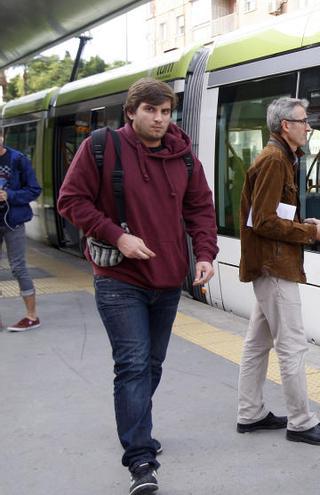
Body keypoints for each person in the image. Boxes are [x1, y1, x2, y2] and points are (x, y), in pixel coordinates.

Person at [57, 78, 219, 495]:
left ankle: (137, 428)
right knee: (131, 364)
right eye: (151, 111)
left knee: (152, 365)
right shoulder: (101, 146)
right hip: (119, 279)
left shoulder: (184, 159)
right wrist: (117, 235)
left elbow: (200, 208)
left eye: (166, 112)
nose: (160, 119)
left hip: (167, 278)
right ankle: (140, 458)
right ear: (132, 112)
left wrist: (205, 253)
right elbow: (71, 201)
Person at [237, 97, 320, 446]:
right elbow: (264, 221)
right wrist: (312, 233)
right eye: (303, 120)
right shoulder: (274, 161)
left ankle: (250, 413)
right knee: (292, 346)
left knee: (257, 344)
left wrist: (306, 223)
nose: (308, 126)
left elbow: (272, 214)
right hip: (275, 266)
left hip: (272, 263)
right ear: (286, 125)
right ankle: (301, 421)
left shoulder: (281, 158)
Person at [0, 130, 42, 331]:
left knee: (18, 267)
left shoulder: (18, 160)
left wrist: (9, 195)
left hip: (13, 222)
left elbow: (34, 190)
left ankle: (32, 316)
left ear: (2, 137)